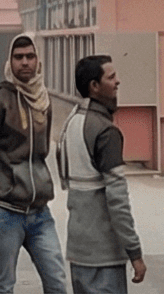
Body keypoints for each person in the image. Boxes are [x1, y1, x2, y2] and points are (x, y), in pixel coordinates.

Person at [0, 35, 68, 294]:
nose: (25, 63)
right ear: (10, 62)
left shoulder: (43, 101)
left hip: (40, 212)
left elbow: (43, 152)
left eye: (30, 56)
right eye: (18, 57)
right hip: (6, 211)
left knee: (57, 281)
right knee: (4, 285)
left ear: (38, 61)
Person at [60, 53, 144, 294]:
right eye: (112, 77)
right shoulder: (106, 132)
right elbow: (117, 201)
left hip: (78, 253)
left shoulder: (71, 122)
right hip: (104, 256)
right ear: (94, 86)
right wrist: (135, 253)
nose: (118, 82)